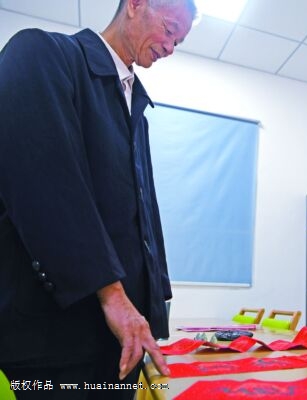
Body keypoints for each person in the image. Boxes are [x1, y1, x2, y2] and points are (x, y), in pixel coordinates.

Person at [0, 0, 196, 398]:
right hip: (56, 343)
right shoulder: (42, 53)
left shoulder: (135, 107)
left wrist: (154, 305)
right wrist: (113, 295)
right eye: (169, 29)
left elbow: (142, 216)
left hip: (120, 341)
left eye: (179, 41)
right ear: (135, 4)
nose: (171, 47)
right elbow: (45, 183)